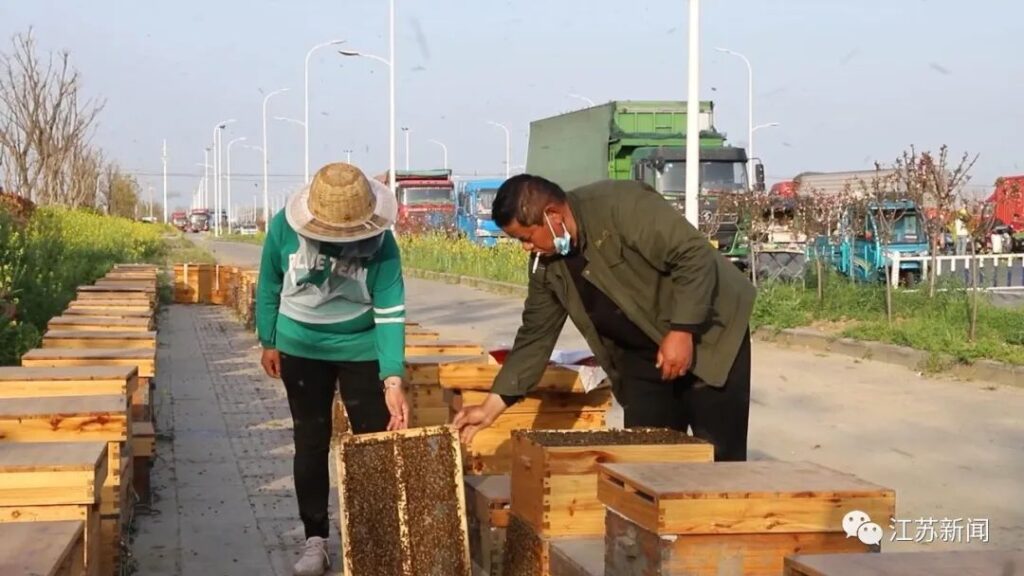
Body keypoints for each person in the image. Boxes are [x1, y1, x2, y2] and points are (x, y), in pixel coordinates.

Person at [453, 175, 756, 462]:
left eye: (527, 237)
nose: (527, 248)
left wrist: (682, 329)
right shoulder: (546, 266)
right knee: (647, 465)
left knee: (719, 461)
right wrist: (491, 407)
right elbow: (535, 335)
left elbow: (692, 255)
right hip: (643, 358)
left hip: (709, 334)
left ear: (552, 215)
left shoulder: (622, 205)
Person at [256, 162, 410, 576]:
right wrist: (268, 339)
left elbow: (391, 309)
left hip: (361, 348)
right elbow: (269, 282)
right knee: (311, 438)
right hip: (300, 345)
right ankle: (315, 540)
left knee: (372, 442)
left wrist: (392, 378)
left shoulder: (382, 244)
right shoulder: (283, 228)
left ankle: (372, 540)